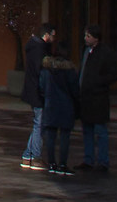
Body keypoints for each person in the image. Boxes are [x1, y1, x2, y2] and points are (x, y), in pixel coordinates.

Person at [76, 24, 117, 172]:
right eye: (85, 35)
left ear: (96, 38)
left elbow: (113, 75)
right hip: (85, 97)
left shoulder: (106, 53)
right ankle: (88, 159)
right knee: (87, 129)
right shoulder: (86, 51)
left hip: (98, 98)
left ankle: (103, 161)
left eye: (88, 36)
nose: (85, 38)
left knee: (100, 131)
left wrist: (97, 82)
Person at [39, 41, 80, 177]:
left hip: (50, 105)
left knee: (50, 136)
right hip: (66, 105)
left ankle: (51, 163)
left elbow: (42, 87)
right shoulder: (70, 71)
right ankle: (62, 164)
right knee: (64, 136)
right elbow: (75, 90)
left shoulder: (46, 69)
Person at [20, 21, 56, 170]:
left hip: (32, 90)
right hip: (38, 92)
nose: (54, 38)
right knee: (39, 124)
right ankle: (35, 156)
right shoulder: (40, 50)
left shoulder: (34, 47)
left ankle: (28, 154)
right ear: (46, 35)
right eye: (53, 35)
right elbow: (40, 72)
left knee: (38, 123)